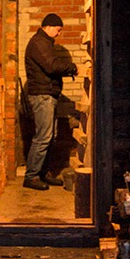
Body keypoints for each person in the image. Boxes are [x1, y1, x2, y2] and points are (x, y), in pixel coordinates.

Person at [22, 13, 78, 190]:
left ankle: (43, 174)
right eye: (58, 29)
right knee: (43, 137)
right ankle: (31, 176)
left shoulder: (44, 42)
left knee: (50, 137)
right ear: (48, 26)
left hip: (47, 95)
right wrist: (72, 68)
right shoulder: (39, 43)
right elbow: (51, 66)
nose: (59, 33)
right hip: (42, 95)